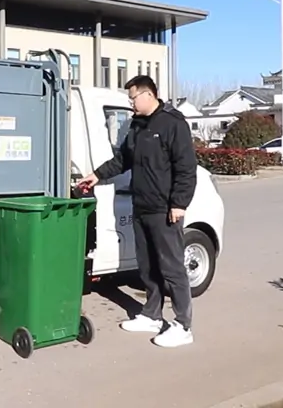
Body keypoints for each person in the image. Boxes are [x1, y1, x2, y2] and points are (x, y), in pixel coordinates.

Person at [77, 75, 198, 348]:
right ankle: (152, 315)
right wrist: (96, 175)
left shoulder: (172, 123)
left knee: (171, 268)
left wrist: (179, 204)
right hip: (141, 205)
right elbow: (124, 159)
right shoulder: (137, 125)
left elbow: (186, 168)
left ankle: (183, 325)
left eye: (133, 98)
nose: (131, 103)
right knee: (147, 265)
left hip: (165, 209)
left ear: (148, 95)